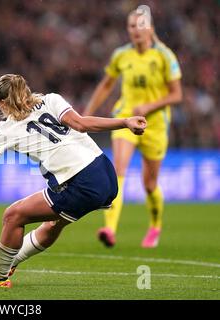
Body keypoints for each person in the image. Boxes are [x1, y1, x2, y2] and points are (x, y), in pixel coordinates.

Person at [0, 74, 146, 287]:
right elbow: (81, 124)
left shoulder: (6, 130)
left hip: (81, 181)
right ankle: (10, 260)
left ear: (2, 103)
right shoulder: (52, 100)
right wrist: (125, 122)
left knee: (13, 215)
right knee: (53, 223)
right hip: (105, 173)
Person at [83, 8, 182, 248]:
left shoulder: (164, 56)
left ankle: (155, 226)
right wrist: (85, 115)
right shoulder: (121, 55)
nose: (136, 30)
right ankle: (110, 227)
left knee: (149, 184)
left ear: (150, 28)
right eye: (131, 26)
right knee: (119, 168)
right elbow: (106, 85)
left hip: (155, 125)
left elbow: (177, 94)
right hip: (126, 119)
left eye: (140, 25)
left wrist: (150, 105)